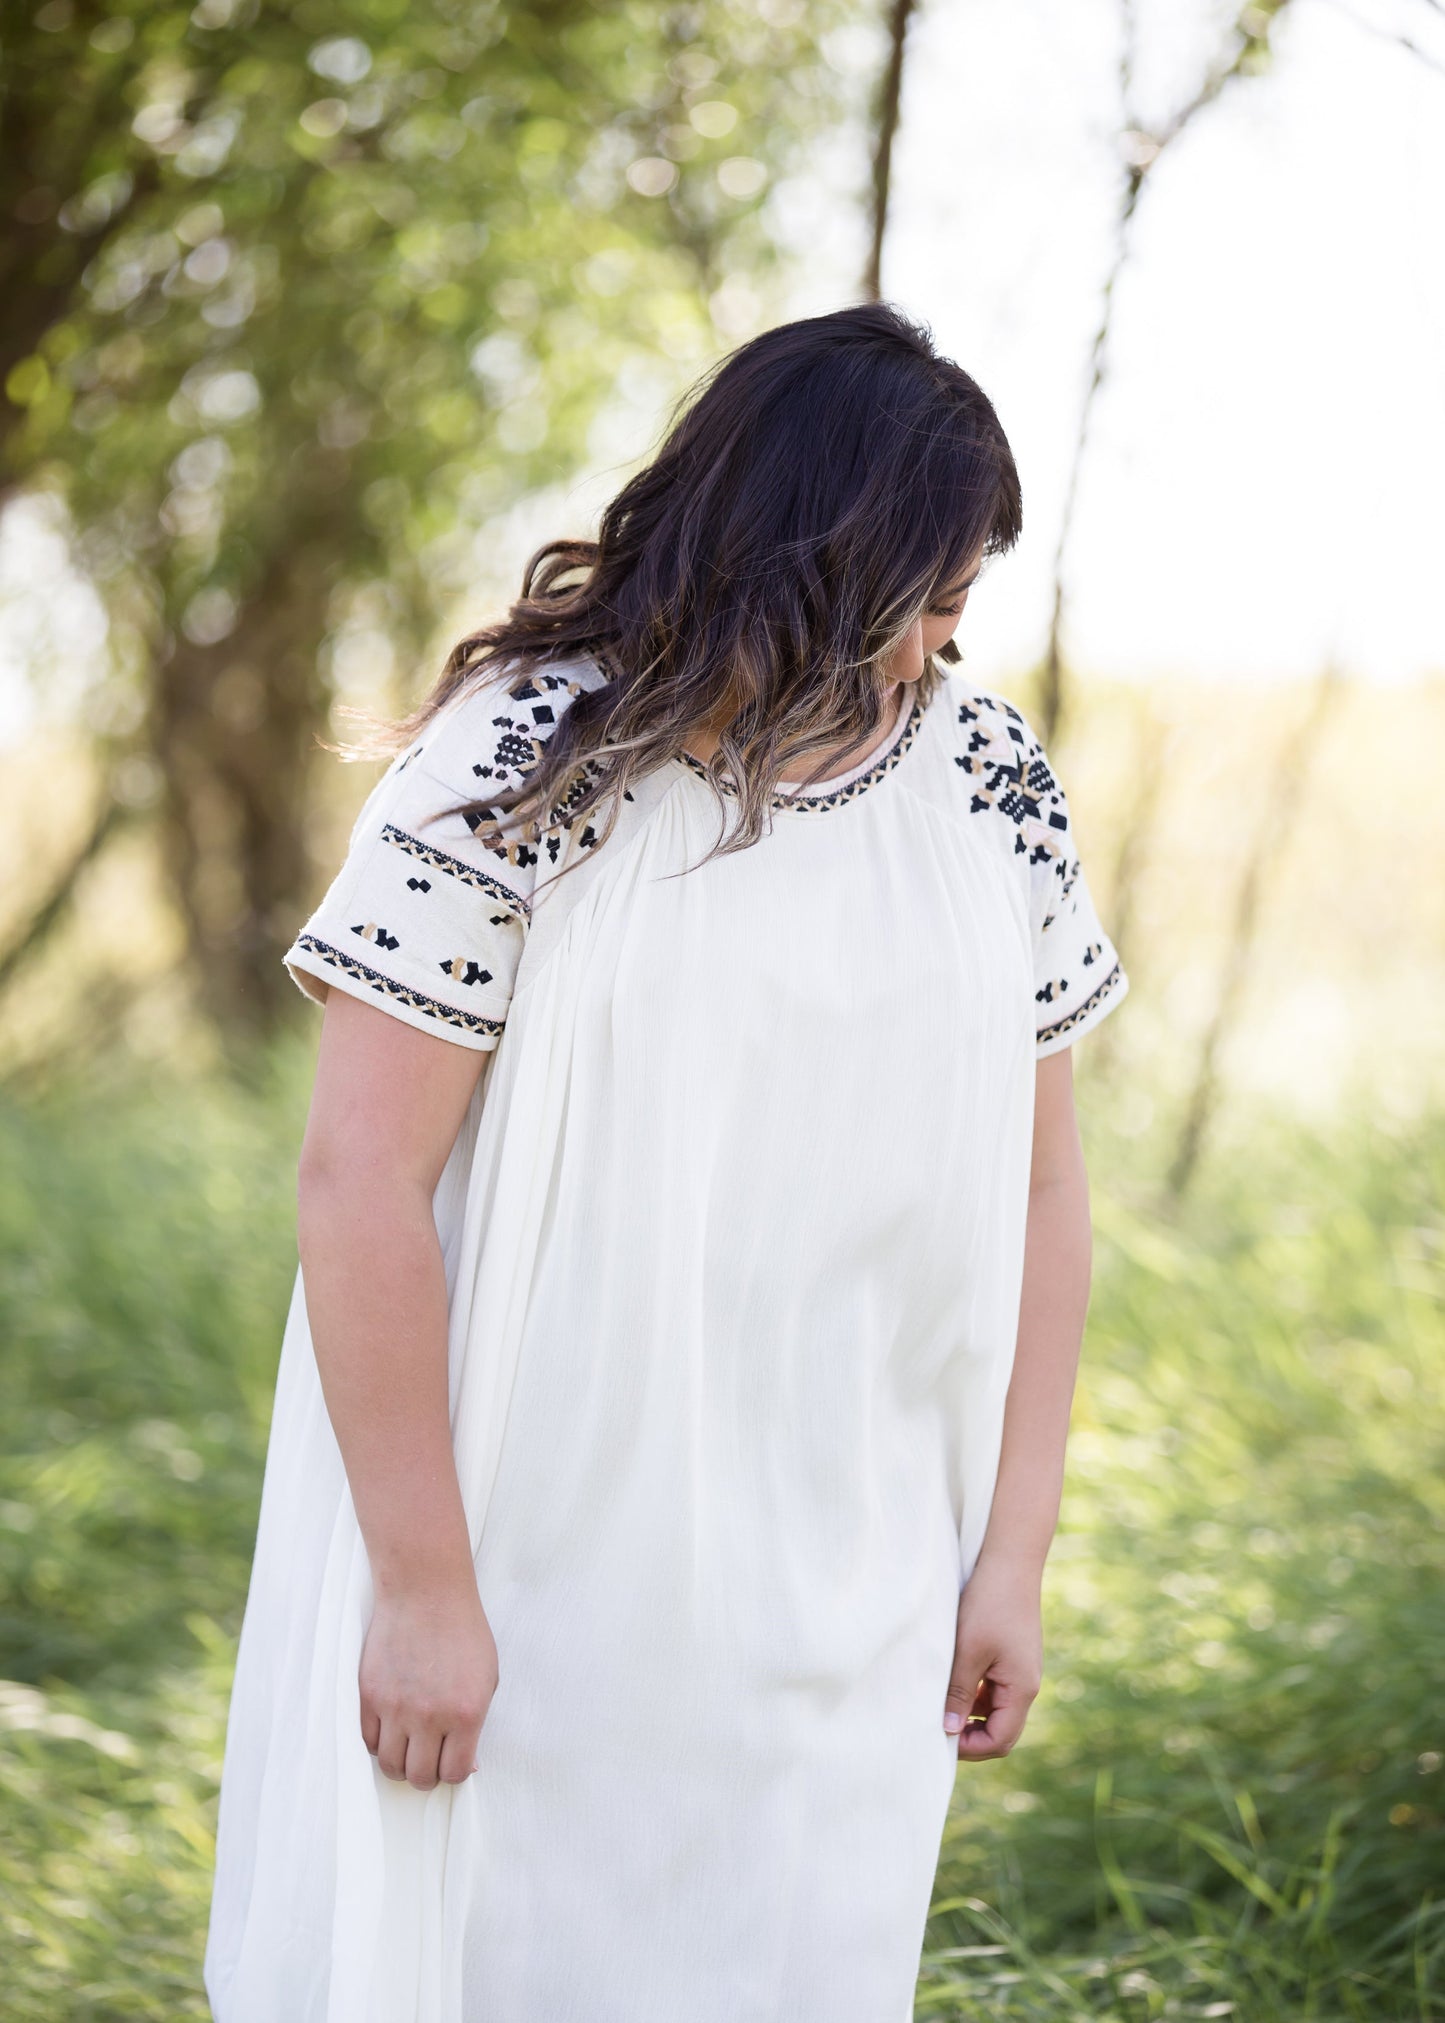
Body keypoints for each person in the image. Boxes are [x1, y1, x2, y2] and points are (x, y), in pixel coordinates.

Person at [204, 301, 1129, 2023]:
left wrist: (1010, 1554)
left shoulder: (991, 778)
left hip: (853, 1563)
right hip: (530, 1546)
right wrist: (419, 1591)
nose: (937, 646)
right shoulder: (516, 763)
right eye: (922, 595)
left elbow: (1042, 1190)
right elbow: (359, 1184)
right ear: (810, 552)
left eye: (963, 604)